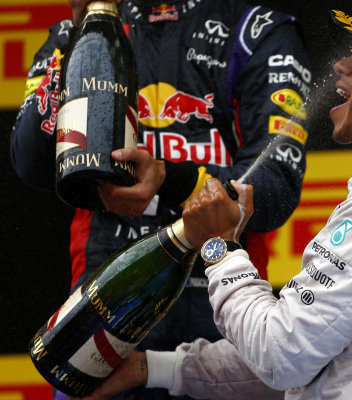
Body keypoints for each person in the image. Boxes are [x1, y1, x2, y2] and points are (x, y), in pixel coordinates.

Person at [75, 2, 352, 399]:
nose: (341, 66)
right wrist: (155, 369)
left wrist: (221, 247)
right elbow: (312, 357)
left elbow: (281, 355)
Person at [11, 0, 311, 399]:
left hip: (223, 312)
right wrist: (81, 33)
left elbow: (275, 189)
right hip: (105, 310)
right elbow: (30, 161)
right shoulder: (78, 30)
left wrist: (167, 177)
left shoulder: (256, 30)